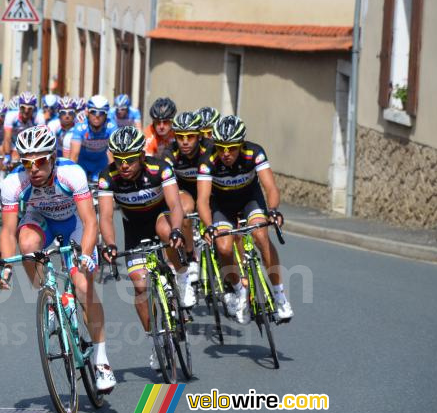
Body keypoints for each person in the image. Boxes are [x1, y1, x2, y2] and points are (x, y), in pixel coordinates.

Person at [0, 126, 116, 392]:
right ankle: (49, 297)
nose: (33, 168)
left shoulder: (71, 173)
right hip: (42, 222)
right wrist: (5, 266)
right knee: (26, 244)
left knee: (84, 288)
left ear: (52, 158)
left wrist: (85, 254)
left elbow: (89, 221)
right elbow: (7, 231)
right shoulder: (13, 183)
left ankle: (101, 361)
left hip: (74, 224)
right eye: (26, 162)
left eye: (39, 161)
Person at [98, 126, 195, 370]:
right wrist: (110, 245)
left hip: (160, 217)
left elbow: (174, 203)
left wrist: (176, 230)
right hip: (134, 230)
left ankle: (182, 277)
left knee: (167, 232)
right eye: (119, 160)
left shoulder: (159, 169)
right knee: (140, 287)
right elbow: (107, 217)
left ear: (141, 156)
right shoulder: (107, 177)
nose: (124, 166)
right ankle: (156, 341)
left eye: (130, 159)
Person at [196, 115, 293, 324]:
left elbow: (270, 187)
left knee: (260, 235)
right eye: (221, 148)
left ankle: (279, 295)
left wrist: (273, 210)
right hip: (222, 205)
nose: (226, 153)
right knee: (223, 247)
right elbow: (203, 200)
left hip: (250, 199)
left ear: (240, 144)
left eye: (231, 148)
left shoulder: (254, 152)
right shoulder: (208, 160)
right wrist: (209, 226)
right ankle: (239, 290)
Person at [163, 111, 210, 282]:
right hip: (185, 189)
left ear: (199, 136)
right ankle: (191, 255)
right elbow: (167, 182)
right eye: (180, 136)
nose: (184, 141)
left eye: (190, 136)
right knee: (185, 211)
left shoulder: (210, 148)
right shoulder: (170, 152)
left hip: (208, 188)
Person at [67, 95, 117, 182]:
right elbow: (73, 156)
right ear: (87, 112)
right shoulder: (80, 127)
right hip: (82, 163)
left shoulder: (112, 126)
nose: (97, 116)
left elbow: (113, 155)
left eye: (101, 113)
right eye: (93, 112)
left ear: (106, 114)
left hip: (100, 164)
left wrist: (115, 176)